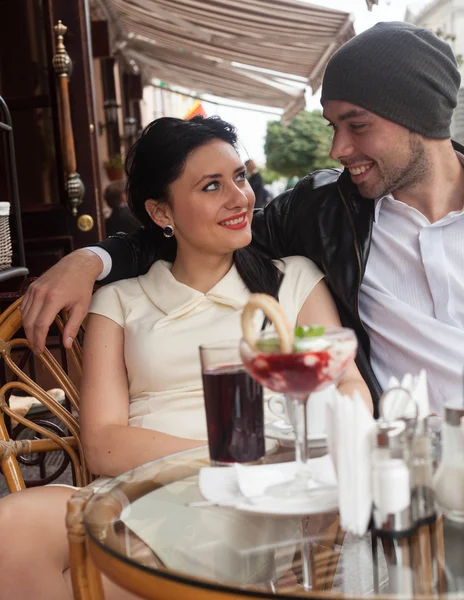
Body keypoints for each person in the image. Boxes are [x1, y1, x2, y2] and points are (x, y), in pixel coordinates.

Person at [1, 116, 370, 599]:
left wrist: (296, 467)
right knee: (13, 525)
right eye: (211, 185)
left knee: (99, 578)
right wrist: (226, 460)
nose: (239, 197)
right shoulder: (120, 300)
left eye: (239, 177)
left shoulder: (291, 281)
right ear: (161, 213)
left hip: (259, 500)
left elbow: (348, 389)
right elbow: (103, 442)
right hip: (143, 488)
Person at [21, 21, 462, 414]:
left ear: (419, 115)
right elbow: (186, 237)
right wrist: (90, 260)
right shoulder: (323, 211)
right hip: (407, 471)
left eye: (357, 125)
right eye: (333, 127)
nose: (338, 149)